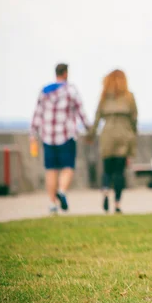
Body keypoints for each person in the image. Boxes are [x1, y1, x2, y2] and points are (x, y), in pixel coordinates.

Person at [30, 63, 90, 214]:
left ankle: (52, 203)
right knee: (67, 168)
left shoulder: (44, 92)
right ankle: (62, 191)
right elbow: (81, 112)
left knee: (51, 170)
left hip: (48, 136)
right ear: (66, 73)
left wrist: (33, 134)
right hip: (66, 135)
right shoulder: (71, 90)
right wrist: (89, 129)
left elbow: (37, 114)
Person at [88, 70, 138, 214]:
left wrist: (91, 135)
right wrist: (133, 136)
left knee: (107, 169)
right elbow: (134, 119)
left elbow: (97, 118)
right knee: (119, 171)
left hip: (108, 134)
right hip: (124, 134)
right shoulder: (129, 97)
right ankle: (117, 203)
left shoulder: (104, 97)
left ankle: (105, 191)